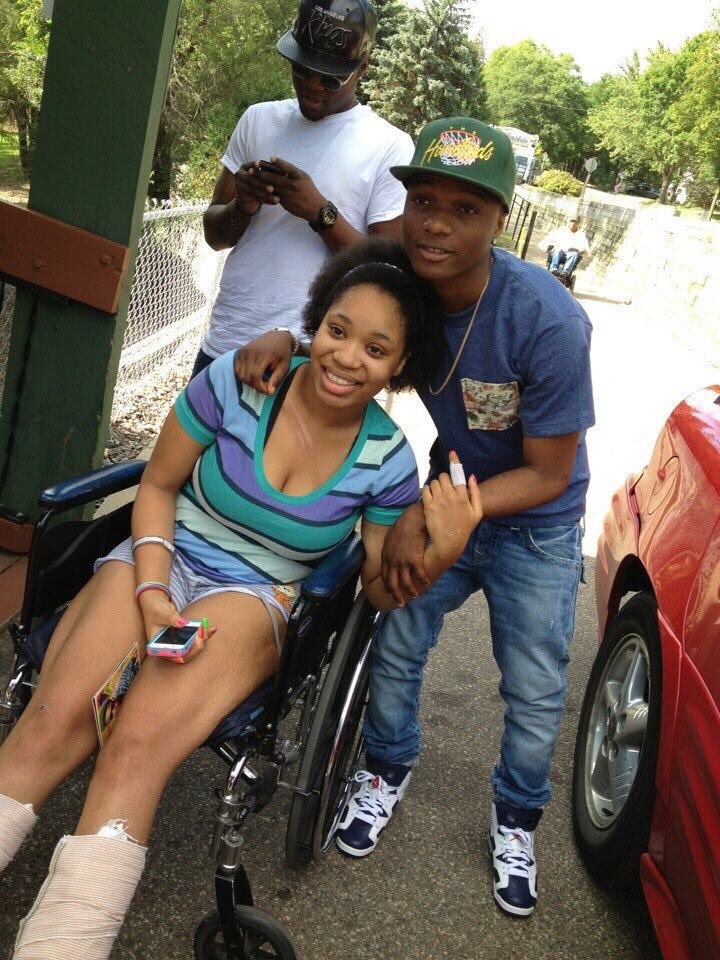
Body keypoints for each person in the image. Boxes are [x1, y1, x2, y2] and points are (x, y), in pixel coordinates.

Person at [0, 240, 482, 960]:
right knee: (50, 724)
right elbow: (158, 485)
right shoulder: (240, 377)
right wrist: (152, 588)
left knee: (134, 749)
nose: (348, 358)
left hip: (255, 593)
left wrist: (442, 547)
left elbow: (379, 591)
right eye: (339, 330)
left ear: (400, 366)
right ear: (315, 322)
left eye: (376, 349)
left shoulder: (386, 459)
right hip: (160, 553)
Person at [234, 119, 595, 919]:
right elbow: (347, 334)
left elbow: (549, 472)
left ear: (501, 220)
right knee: (395, 638)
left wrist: (427, 513)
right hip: (449, 488)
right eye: (424, 200)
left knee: (535, 688)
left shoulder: (548, 321)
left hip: (535, 524)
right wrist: (288, 342)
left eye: (466, 209)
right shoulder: (403, 279)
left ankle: (516, 819)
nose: (436, 224)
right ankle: (385, 768)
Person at [195, 0, 414, 377]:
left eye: (330, 79)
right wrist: (243, 204)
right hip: (226, 343)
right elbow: (215, 236)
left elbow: (388, 274)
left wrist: (320, 214)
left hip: (309, 360)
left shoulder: (390, 147)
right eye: (302, 69)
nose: (312, 87)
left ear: (363, 68)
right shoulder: (257, 119)